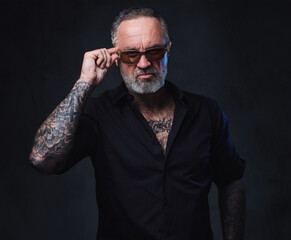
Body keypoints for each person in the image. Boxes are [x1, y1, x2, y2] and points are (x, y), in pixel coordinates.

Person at [29, 7, 246, 240]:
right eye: (131, 54)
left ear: (167, 51)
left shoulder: (207, 113)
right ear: (116, 57)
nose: (143, 63)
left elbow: (231, 179)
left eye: (153, 51)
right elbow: (42, 159)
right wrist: (84, 83)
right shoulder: (99, 114)